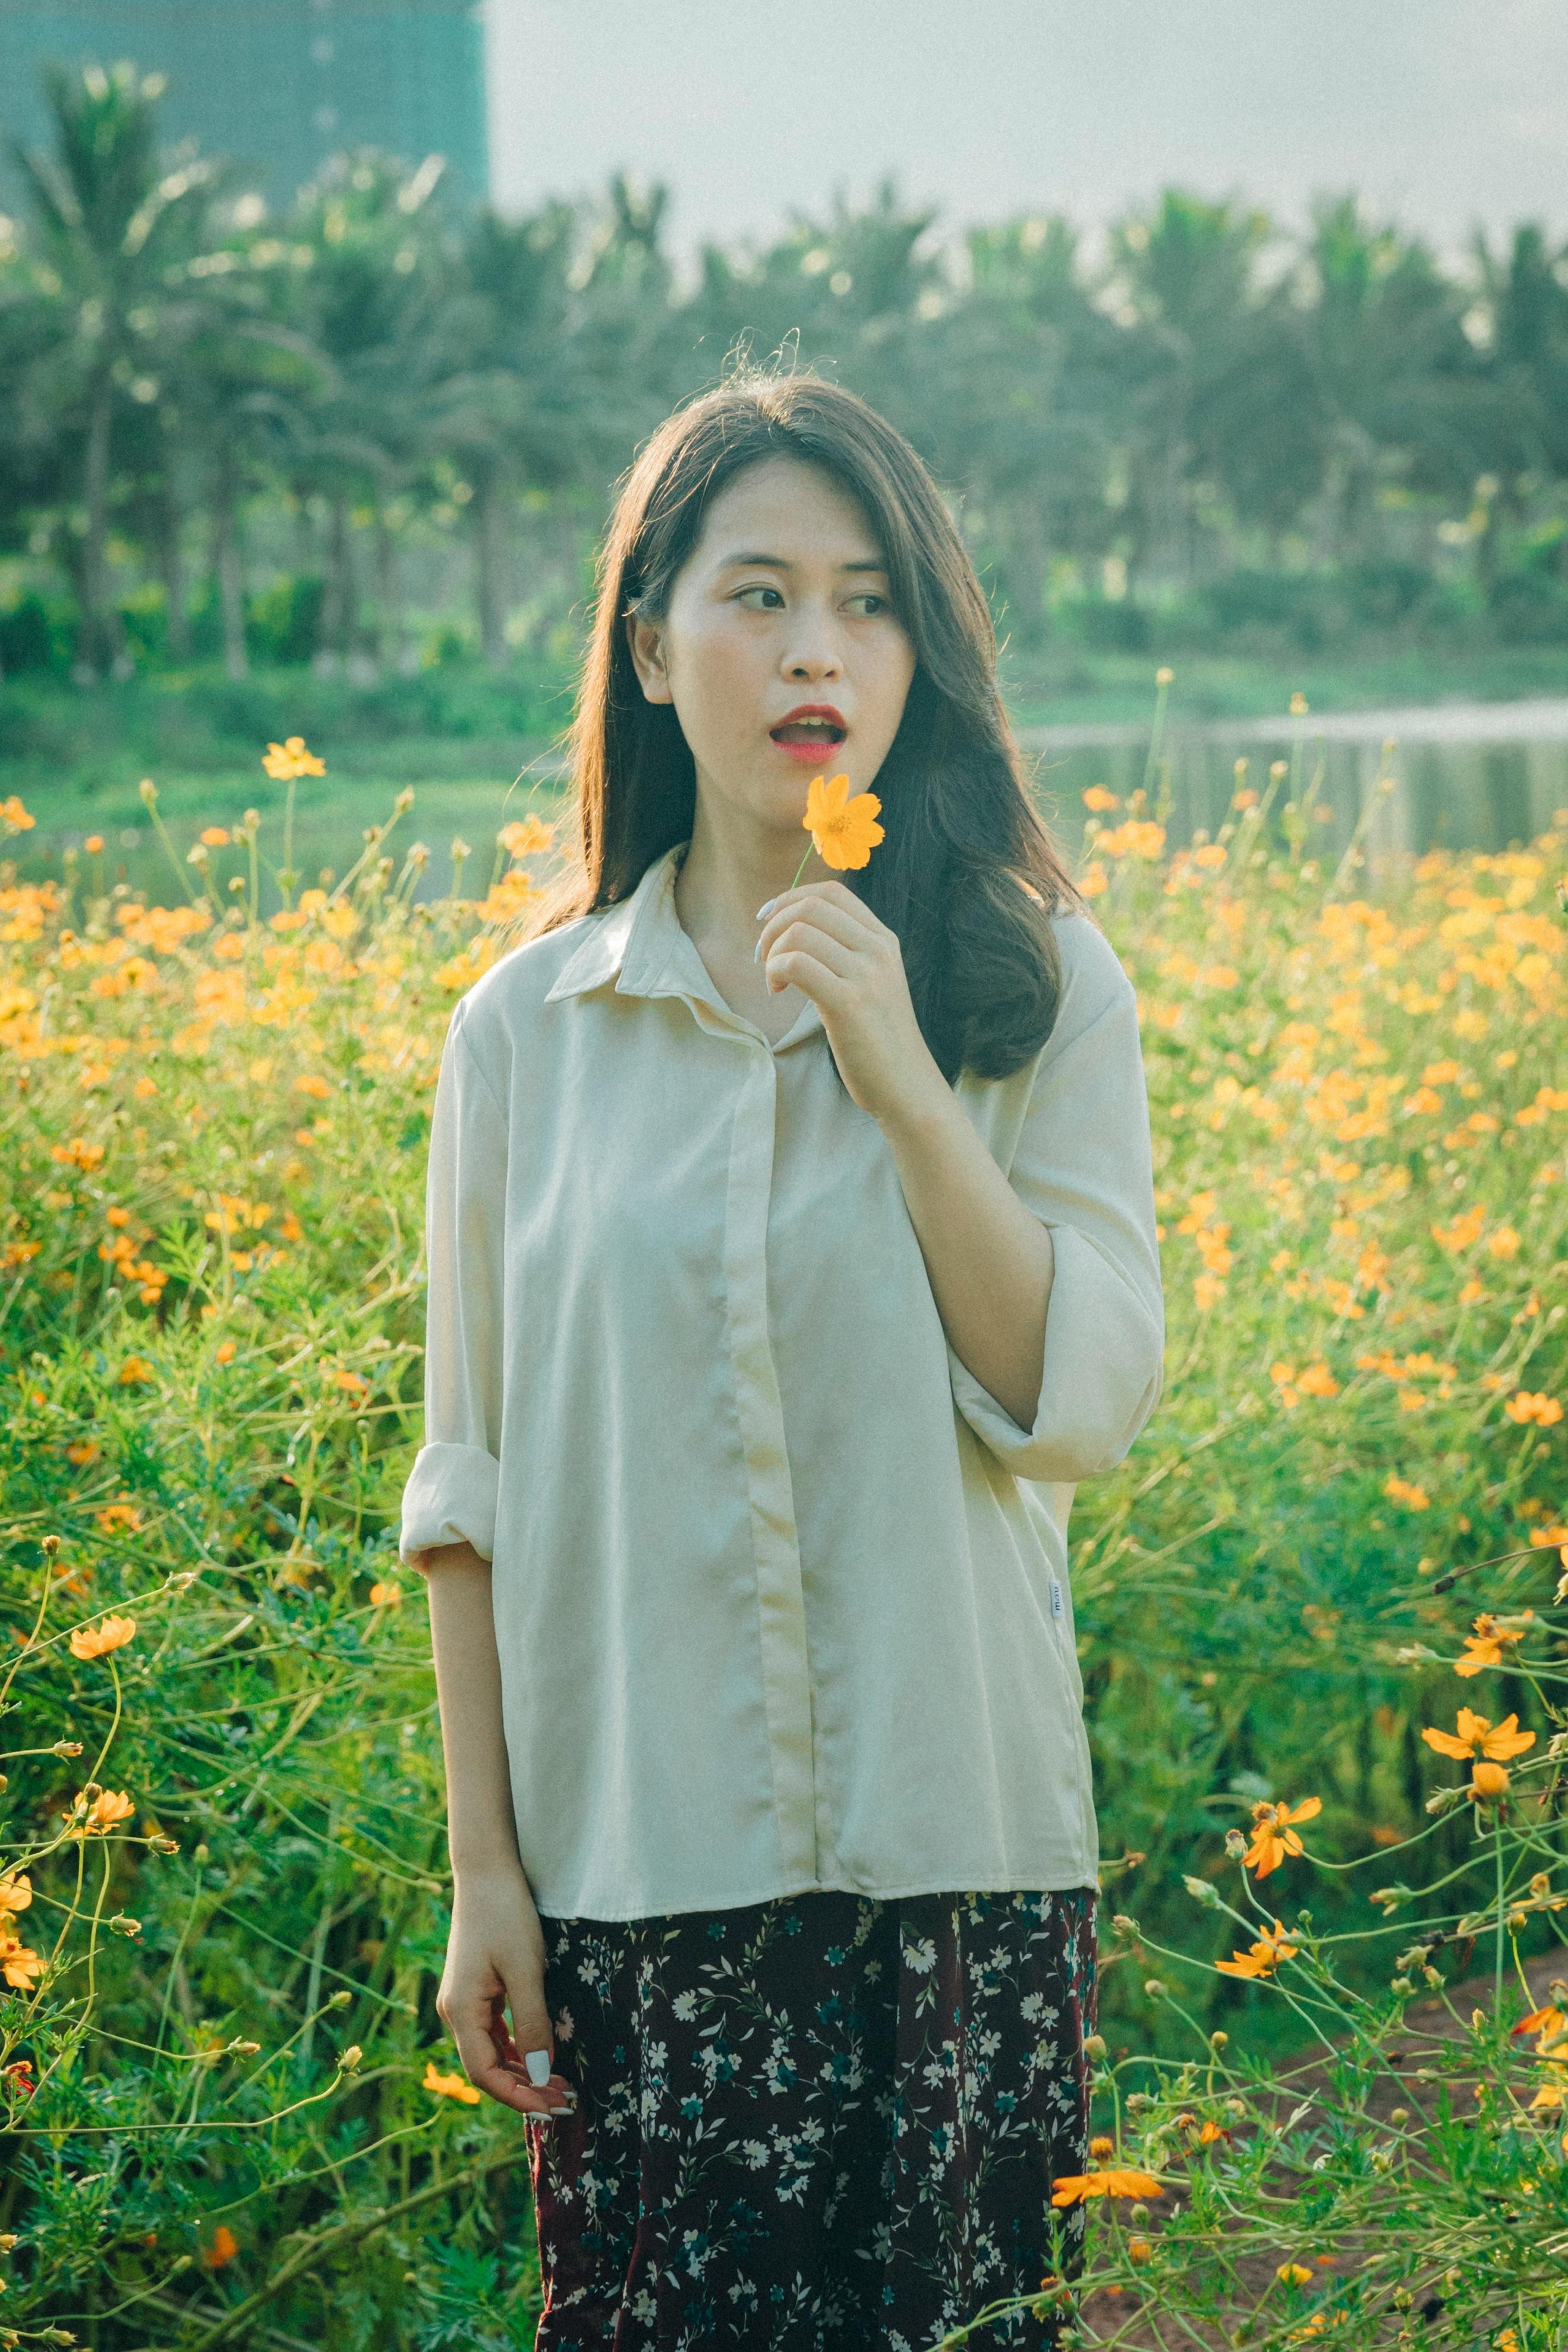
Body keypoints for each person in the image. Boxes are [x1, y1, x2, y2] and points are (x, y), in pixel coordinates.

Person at [398, 367, 1165, 2350]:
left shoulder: (1036, 984)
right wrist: (489, 1873)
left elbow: (1073, 1400)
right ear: (651, 651)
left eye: (867, 595)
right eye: (757, 595)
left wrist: (905, 1077)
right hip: (641, 1886)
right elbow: (465, 1492)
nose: (817, 647)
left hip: (961, 1873)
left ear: (920, 644)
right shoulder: (522, 1036)